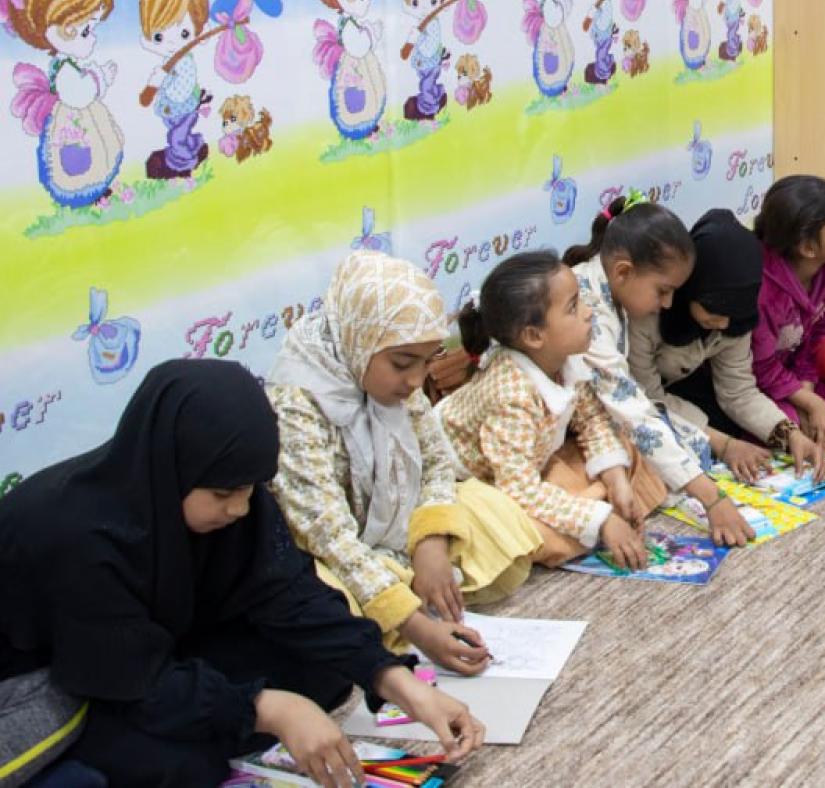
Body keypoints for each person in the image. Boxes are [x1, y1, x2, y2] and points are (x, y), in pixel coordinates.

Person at [0, 361, 482, 788]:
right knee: (181, 765)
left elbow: (289, 593)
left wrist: (396, 681)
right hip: (69, 681)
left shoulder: (228, 494)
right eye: (223, 493)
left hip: (161, 645)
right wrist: (273, 709)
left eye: (251, 488)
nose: (241, 508)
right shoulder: (77, 536)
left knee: (324, 671)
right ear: (173, 466)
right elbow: (130, 679)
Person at [267, 251, 540, 678]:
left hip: (397, 527)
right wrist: (419, 630)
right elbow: (328, 534)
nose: (416, 381)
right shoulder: (296, 402)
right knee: (323, 597)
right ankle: (404, 605)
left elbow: (435, 465)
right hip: (336, 552)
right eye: (401, 363)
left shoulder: (397, 381)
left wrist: (430, 544)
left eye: (427, 362)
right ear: (359, 340)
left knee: (490, 508)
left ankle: (420, 581)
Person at [437, 252, 666, 570]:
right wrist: (600, 520)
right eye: (573, 307)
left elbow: (591, 420)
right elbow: (518, 490)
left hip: (531, 459)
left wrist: (615, 479)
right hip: (479, 481)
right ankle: (596, 519)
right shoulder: (511, 397)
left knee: (627, 450)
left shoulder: (564, 357)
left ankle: (598, 505)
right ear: (534, 336)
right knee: (522, 530)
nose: (588, 312)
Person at [563, 199, 755, 547]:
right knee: (627, 475)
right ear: (623, 272)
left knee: (684, 446)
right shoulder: (587, 312)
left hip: (592, 422)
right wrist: (712, 499)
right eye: (663, 291)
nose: (666, 304)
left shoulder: (611, 294)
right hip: (550, 435)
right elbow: (633, 413)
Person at [625, 209, 825, 482]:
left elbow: (738, 390)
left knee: (734, 427)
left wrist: (790, 434)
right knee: (671, 459)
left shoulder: (735, 317)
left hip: (689, 389)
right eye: (715, 310)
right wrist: (723, 445)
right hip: (639, 399)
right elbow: (647, 400)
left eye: (732, 315)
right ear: (692, 285)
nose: (723, 324)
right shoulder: (649, 310)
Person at [750, 176, 825, 474]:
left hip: (794, 380)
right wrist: (810, 404)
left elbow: (817, 338)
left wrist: (809, 396)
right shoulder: (764, 294)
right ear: (808, 247)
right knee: (785, 423)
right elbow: (760, 367)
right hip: (757, 385)